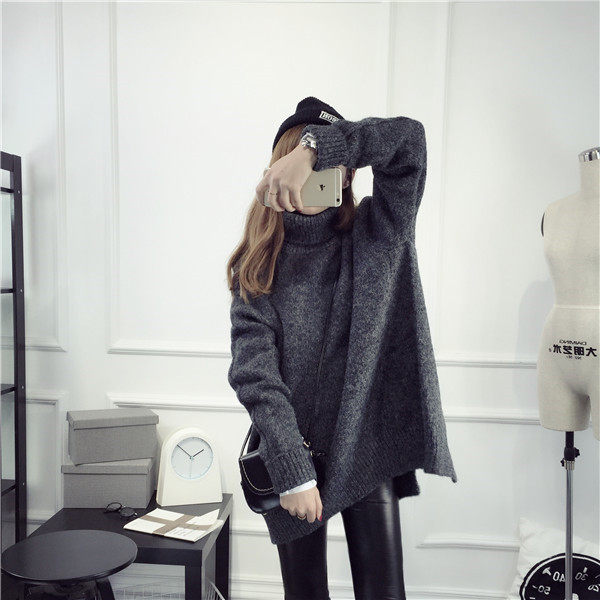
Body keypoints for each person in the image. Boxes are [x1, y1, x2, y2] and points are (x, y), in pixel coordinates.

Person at [226, 97, 458, 600]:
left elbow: (409, 142)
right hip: (296, 449)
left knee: (384, 593)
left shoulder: (380, 231)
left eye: (324, 170)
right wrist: (293, 472)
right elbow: (255, 376)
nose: (310, 181)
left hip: (367, 448)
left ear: (347, 174)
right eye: (298, 169)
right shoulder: (259, 265)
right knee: (305, 595)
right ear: (276, 174)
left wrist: (313, 149)